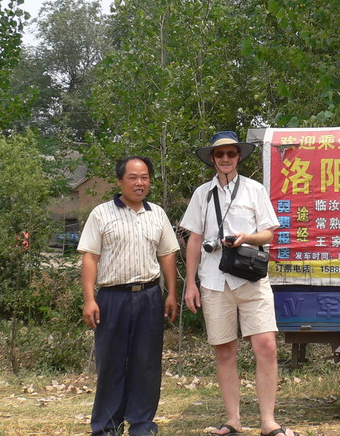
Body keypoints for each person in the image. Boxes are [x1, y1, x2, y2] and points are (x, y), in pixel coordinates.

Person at [181, 131, 298, 436]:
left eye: (231, 154)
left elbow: (269, 232)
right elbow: (193, 239)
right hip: (214, 280)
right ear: (212, 159)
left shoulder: (254, 190)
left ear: (239, 157)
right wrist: (189, 284)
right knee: (224, 350)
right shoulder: (201, 195)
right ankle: (233, 420)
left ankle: (268, 422)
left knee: (267, 346)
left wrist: (247, 238)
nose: (225, 159)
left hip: (251, 278)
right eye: (219, 155)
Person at [78, 156, 180, 436]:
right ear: (120, 181)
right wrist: (89, 299)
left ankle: (142, 425)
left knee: (146, 363)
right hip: (112, 298)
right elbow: (90, 257)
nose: (140, 183)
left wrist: (172, 294)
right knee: (111, 363)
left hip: (149, 296)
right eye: (133, 177)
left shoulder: (156, 213)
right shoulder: (101, 214)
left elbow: (167, 255)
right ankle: (106, 426)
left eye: (144, 177)